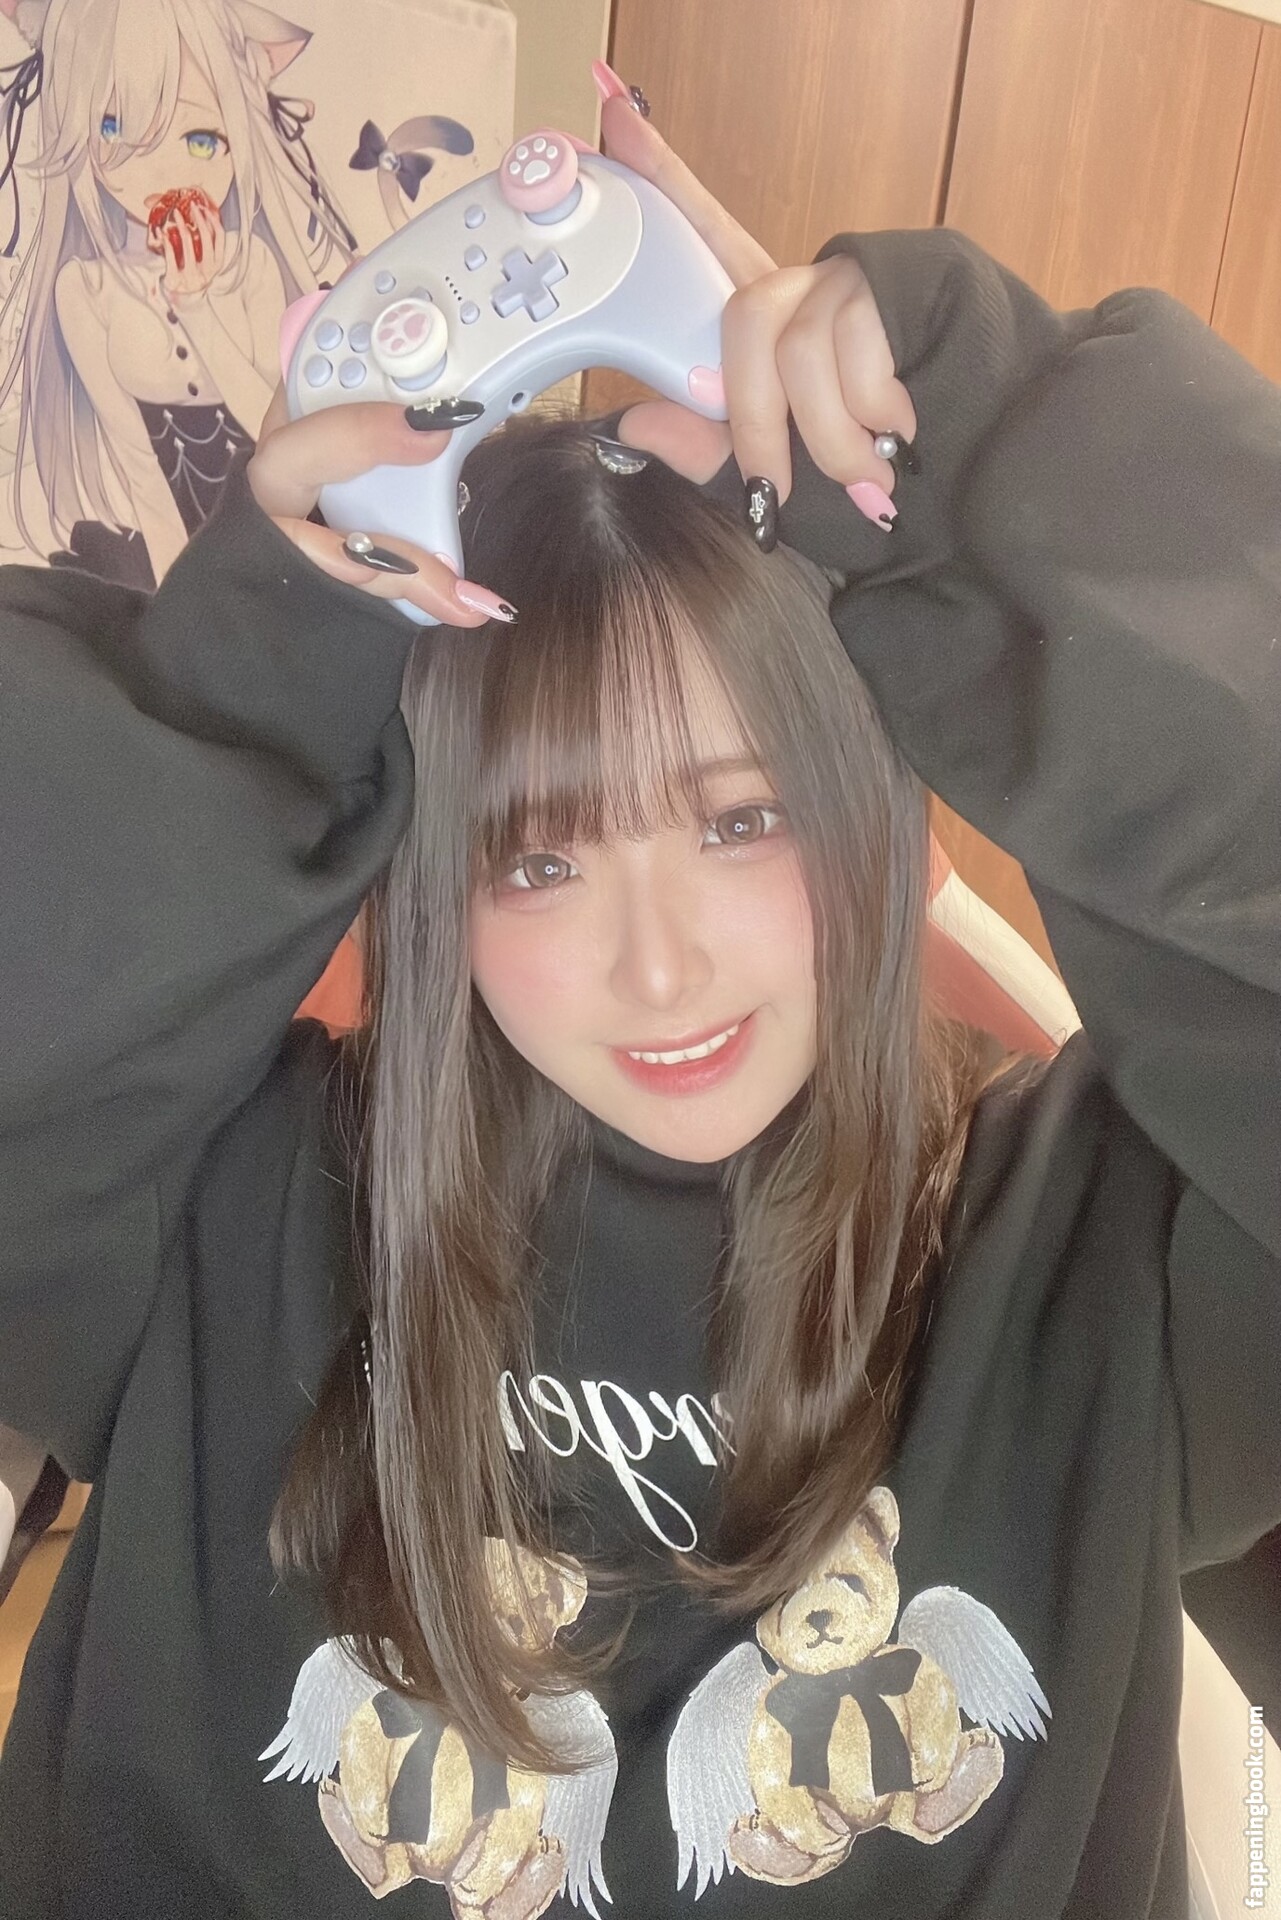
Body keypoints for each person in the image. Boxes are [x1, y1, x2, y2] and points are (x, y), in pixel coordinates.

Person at [0, 77, 1277, 1920]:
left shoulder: (1104, 1258)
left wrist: (991, 482)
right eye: (539, 860)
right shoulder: (217, 1213)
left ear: (863, 797)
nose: (659, 964)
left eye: (742, 821)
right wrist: (247, 677)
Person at [0, 0, 355, 588]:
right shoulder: (85, 289)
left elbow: (277, 435)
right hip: (169, 535)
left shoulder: (250, 264)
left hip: (287, 522)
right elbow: (140, 468)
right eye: (113, 129)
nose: (161, 172)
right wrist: (177, 602)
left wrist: (197, 306)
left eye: (200, 140)